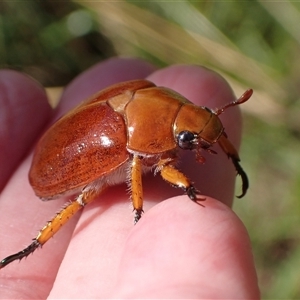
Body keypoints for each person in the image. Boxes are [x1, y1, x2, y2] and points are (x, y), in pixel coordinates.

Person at [0, 57, 260, 298]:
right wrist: (181, 189)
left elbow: (207, 126)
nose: (193, 142)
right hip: (52, 167)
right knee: (82, 198)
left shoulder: (147, 93)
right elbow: (143, 163)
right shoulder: (128, 139)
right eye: (187, 139)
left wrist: (232, 157)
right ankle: (33, 246)